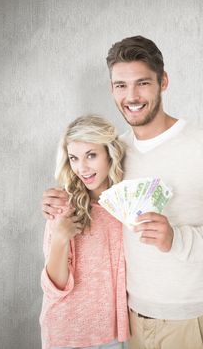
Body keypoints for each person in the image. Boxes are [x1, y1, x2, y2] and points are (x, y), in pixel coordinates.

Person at [42, 36, 203, 349]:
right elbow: (91, 197)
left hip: (184, 318)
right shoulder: (117, 152)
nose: (132, 96)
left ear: (163, 82)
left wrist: (177, 238)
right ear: (112, 88)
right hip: (129, 320)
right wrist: (58, 199)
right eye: (121, 85)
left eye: (142, 83)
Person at [39, 115, 129, 349]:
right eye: (74, 158)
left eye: (91, 155)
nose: (82, 168)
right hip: (67, 333)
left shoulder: (127, 205)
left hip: (113, 335)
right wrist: (60, 237)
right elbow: (56, 286)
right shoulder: (63, 207)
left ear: (110, 153)